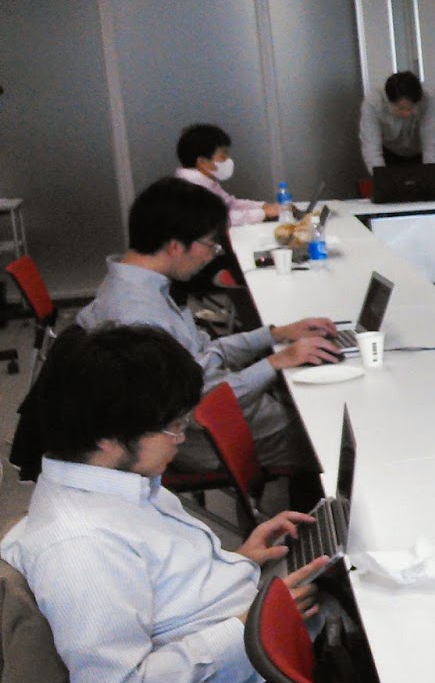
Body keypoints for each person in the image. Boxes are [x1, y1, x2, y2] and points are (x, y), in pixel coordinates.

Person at [0, 325, 326, 683]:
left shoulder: (118, 480)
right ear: (107, 438)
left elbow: (159, 587)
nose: (181, 438)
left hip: (260, 620)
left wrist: (240, 560)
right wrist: (252, 626)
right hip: (260, 681)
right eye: (173, 426)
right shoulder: (81, 547)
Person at [75, 178, 340, 472]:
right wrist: (278, 361)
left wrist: (275, 335)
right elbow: (200, 402)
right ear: (175, 246)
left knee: (321, 393)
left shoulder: (136, 285)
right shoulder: (138, 317)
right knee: (340, 433)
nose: (212, 255)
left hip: (223, 409)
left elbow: (204, 353)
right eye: (210, 245)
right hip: (215, 435)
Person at [174, 122, 279, 225]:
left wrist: (262, 206)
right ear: (202, 162)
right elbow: (219, 219)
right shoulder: (189, 189)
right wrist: (261, 213)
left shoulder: (204, 181)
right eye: (223, 157)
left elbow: (229, 203)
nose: (228, 160)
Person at [358, 70, 435, 173]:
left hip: (419, 152)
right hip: (388, 153)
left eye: (411, 108)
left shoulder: (428, 97)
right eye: (400, 108)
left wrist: (432, 175)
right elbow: (371, 149)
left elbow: (431, 142)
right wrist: (380, 177)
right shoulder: (373, 103)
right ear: (389, 101)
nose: (406, 114)